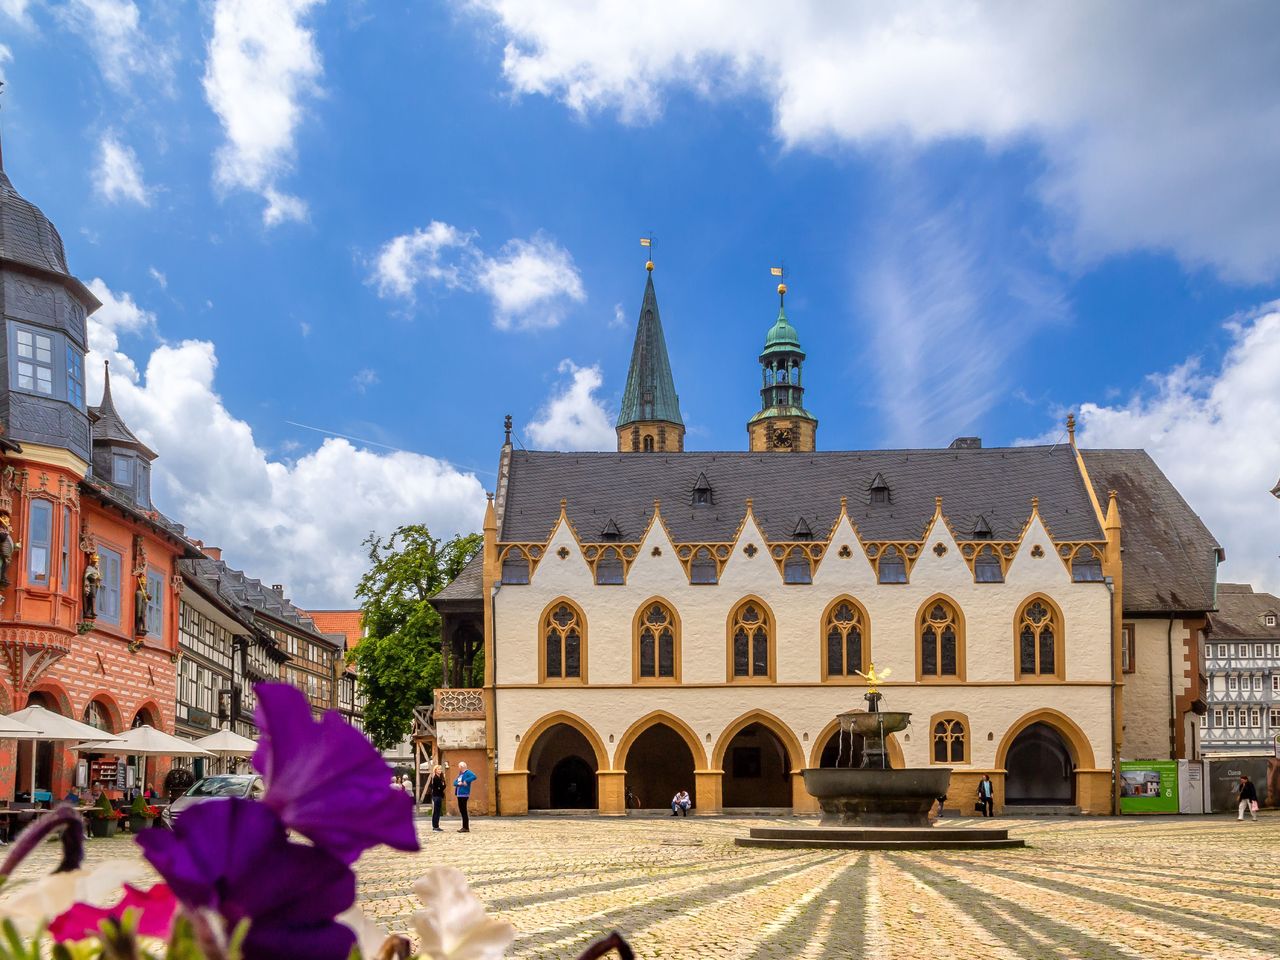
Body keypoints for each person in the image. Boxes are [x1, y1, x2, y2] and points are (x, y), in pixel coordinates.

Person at [453, 762, 477, 833]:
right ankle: (464, 827)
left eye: (459, 766)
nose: (458, 768)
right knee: (462, 811)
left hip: (464, 794)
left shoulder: (468, 772)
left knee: (464, 811)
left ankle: (465, 827)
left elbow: (474, 776)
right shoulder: (460, 774)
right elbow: (454, 783)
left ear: (462, 767)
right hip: (459, 794)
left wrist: (465, 781)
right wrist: (458, 783)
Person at [429, 765, 447, 832]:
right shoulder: (435, 778)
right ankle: (435, 826)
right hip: (436, 796)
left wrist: (442, 785)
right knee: (436, 812)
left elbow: (443, 786)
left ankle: (437, 826)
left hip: (439, 795)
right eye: (438, 769)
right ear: (435, 770)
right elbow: (439, 787)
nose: (440, 770)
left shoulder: (440, 778)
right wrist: (441, 786)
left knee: (438, 812)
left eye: (440, 769)